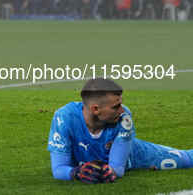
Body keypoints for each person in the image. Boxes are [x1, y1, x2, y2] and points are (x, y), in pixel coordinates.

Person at [48, 78, 193, 183]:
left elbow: (117, 168)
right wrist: (76, 173)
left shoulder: (124, 118)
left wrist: (103, 172)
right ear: (95, 109)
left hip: (134, 156)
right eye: (116, 106)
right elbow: (59, 168)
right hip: (88, 163)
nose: (122, 110)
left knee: (186, 160)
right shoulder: (64, 118)